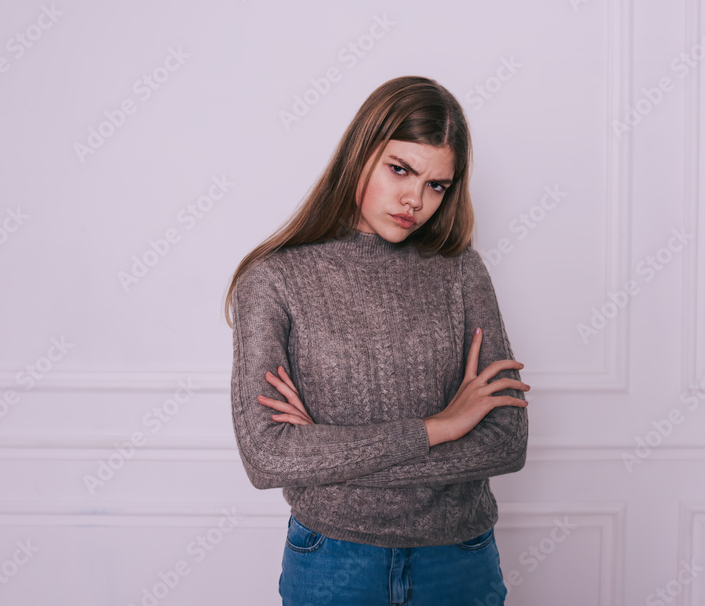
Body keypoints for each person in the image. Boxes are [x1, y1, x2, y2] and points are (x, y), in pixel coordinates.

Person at [224, 75, 529, 605]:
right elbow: (268, 457)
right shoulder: (274, 280)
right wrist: (442, 426)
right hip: (333, 558)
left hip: (459, 557)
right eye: (400, 169)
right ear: (359, 154)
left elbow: (506, 441)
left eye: (437, 185)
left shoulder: (461, 272)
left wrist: (328, 452)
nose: (415, 199)